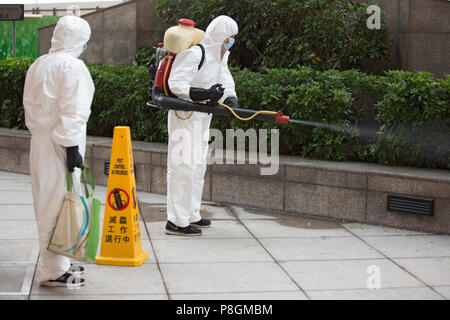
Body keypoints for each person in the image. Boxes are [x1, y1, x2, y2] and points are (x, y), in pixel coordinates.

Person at [23, 16, 94, 287]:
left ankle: (56, 263)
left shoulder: (38, 64)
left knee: (46, 206)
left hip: (40, 142)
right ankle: (52, 269)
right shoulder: (73, 67)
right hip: (61, 146)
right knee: (60, 206)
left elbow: (30, 105)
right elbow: (74, 110)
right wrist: (72, 147)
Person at [165, 15, 239, 236]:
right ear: (219, 37)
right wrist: (201, 93)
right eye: (229, 38)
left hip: (202, 118)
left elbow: (225, 80)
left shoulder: (219, 56)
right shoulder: (196, 53)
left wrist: (231, 99)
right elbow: (175, 83)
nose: (231, 43)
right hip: (184, 115)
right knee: (182, 166)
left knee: (197, 166)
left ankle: (192, 214)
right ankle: (176, 221)